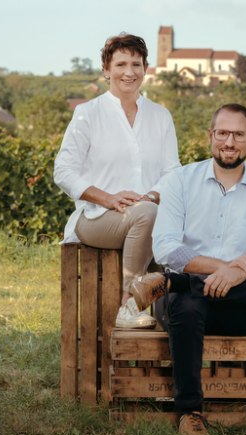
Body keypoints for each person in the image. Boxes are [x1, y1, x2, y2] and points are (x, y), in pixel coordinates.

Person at [132, 104, 246, 435]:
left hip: (240, 309)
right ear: (210, 136)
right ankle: (189, 413)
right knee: (185, 302)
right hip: (190, 310)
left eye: (238, 134)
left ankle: (173, 282)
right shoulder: (181, 180)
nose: (230, 141)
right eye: (223, 133)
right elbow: (166, 246)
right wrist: (228, 267)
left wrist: (240, 275)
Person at [54, 33, 180, 329]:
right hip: (97, 218)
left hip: (149, 212)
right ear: (106, 70)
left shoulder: (160, 116)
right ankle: (129, 305)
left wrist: (149, 196)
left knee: (162, 221)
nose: (129, 72)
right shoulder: (88, 114)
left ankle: (178, 319)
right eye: (121, 64)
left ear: (145, 69)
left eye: (136, 64)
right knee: (149, 217)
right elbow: (64, 170)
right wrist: (108, 198)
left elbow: (173, 171)